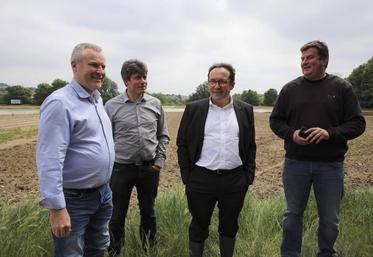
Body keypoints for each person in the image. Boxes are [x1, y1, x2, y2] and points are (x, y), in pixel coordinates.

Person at [269, 40, 366, 257]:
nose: (304, 62)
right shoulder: (289, 89)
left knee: (330, 220)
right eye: (302, 58)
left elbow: (358, 124)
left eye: (309, 58)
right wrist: (292, 134)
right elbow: (275, 121)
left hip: (331, 166)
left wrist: (329, 133)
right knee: (292, 214)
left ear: (324, 60)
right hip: (295, 164)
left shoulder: (342, 88)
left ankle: (326, 253)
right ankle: (290, 254)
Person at [36, 43, 115, 257]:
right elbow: (49, 158)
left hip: (102, 194)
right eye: (93, 65)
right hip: (74, 201)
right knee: (70, 254)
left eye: (103, 66)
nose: (100, 71)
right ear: (74, 65)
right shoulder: (60, 103)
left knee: (97, 249)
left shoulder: (97, 99)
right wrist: (57, 208)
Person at [177, 63, 256, 257]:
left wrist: (248, 177)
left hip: (234, 179)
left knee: (229, 226)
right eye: (212, 81)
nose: (216, 86)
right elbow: (182, 144)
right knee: (198, 225)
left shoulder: (245, 110)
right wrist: (188, 177)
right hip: (201, 179)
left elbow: (250, 145)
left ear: (232, 84)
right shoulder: (194, 109)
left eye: (222, 81)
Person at [104, 59, 170, 256]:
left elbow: (163, 135)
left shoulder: (155, 104)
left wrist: (159, 162)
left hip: (149, 169)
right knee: (117, 216)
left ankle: (149, 251)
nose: (143, 81)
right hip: (121, 169)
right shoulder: (111, 106)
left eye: (145, 77)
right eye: (138, 78)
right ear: (126, 81)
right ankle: (115, 252)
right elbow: (105, 140)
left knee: (149, 214)